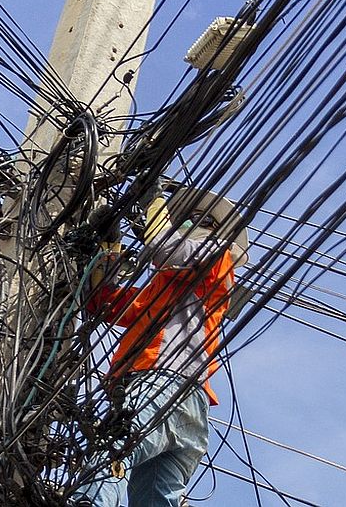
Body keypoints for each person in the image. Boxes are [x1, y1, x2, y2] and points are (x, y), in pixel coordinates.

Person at [72, 187, 245, 507]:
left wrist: (154, 203)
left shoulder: (218, 255)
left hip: (163, 383)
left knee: (113, 449)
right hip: (188, 409)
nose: (189, 224)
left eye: (198, 220)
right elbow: (103, 303)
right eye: (186, 219)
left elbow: (164, 249)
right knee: (155, 497)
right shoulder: (166, 290)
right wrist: (109, 246)